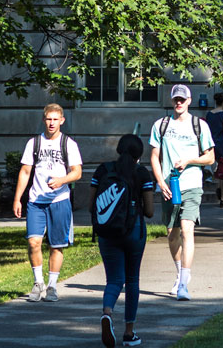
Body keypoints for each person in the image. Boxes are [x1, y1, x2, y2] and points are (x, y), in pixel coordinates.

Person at [149, 83, 214, 301]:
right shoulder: (161, 125)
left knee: (187, 229)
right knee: (172, 234)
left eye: (182, 99)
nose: (179, 102)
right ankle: (180, 273)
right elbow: (154, 157)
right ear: (172, 100)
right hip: (169, 186)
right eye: (176, 99)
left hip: (192, 185)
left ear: (189, 101)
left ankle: (184, 283)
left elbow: (210, 158)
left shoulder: (200, 125)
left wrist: (189, 160)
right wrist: (160, 182)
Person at [13, 102, 83, 301]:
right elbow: (25, 171)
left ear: (62, 121)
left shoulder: (69, 144)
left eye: (55, 119)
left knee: (56, 245)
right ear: (43, 120)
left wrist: (62, 180)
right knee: (34, 242)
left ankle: (52, 285)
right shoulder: (34, 143)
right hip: (36, 201)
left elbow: (77, 172)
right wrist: (18, 198)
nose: (52, 123)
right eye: (48, 119)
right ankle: (38, 283)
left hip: (59, 200)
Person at [93, 134, 155, 348]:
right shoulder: (142, 173)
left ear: (119, 150)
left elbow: (93, 203)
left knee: (113, 280)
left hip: (107, 232)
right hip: (134, 231)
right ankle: (129, 333)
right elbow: (149, 211)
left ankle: (107, 313)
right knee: (132, 280)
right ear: (140, 154)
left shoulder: (103, 170)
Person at [205, 91, 223, 207]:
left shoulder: (209, 114)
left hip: (211, 144)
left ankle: (219, 189)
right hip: (221, 144)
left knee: (218, 170)